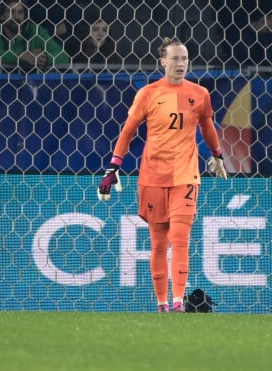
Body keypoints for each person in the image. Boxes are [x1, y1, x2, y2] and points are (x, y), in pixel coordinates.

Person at [97, 38, 228, 313]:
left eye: (185, 59)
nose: (181, 64)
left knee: (180, 238)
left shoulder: (200, 93)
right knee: (158, 243)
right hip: (153, 177)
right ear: (163, 62)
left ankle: (179, 301)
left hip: (186, 176)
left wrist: (217, 155)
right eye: (176, 58)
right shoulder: (148, 93)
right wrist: (114, 166)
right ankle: (162, 304)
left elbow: (207, 126)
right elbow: (128, 130)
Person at [0, 0, 70, 73]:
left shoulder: (36, 31)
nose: (16, 17)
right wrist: (20, 56)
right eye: (11, 12)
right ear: (2, 16)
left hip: (32, 87)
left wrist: (43, 58)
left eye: (20, 12)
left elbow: (63, 55)